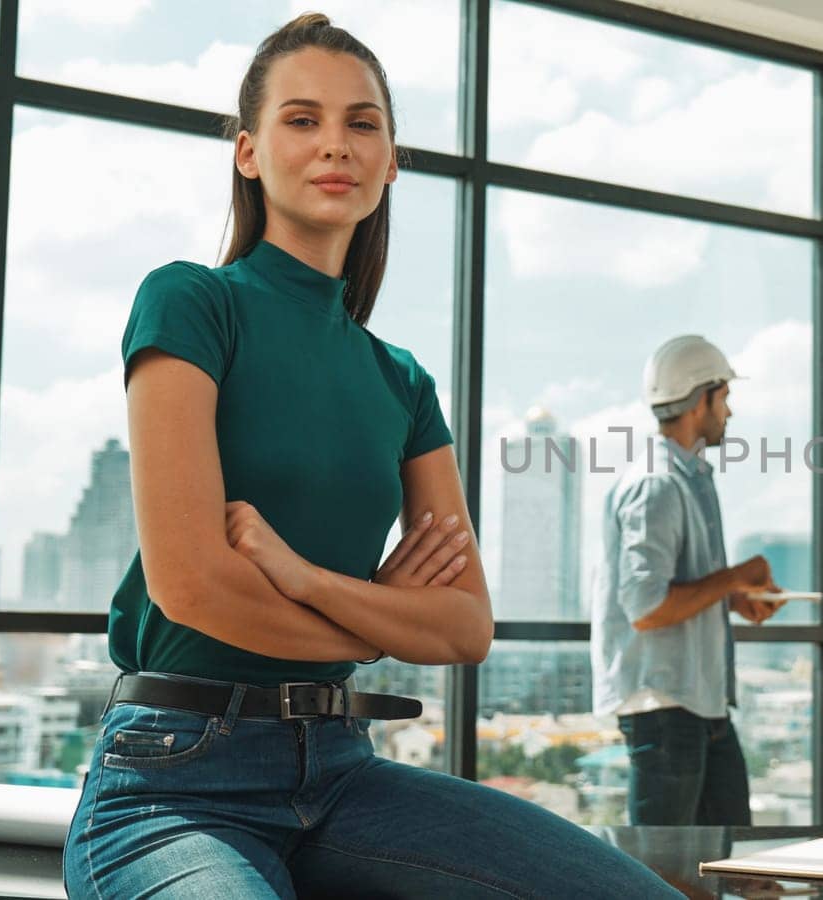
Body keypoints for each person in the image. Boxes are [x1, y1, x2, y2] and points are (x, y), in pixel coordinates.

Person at [62, 15, 679, 898]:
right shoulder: (191, 303)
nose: (334, 146)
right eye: (302, 120)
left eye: (363, 123)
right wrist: (383, 618)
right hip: (175, 782)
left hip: (346, 771)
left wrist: (302, 577)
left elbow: (464, 628)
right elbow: (191, 586)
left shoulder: (402, 381)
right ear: (247, 153)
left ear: (392, 161)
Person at [592, 335, 785, 826]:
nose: (730, 412)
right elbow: (647, 607)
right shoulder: (657, 484)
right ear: (702, 400)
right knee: (666, 875)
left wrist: (735, 598)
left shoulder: (691, 478)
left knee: (728, 861)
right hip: (665, 708)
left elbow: (679, 590)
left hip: (700, 704)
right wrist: (734, 576)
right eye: (725, 398)